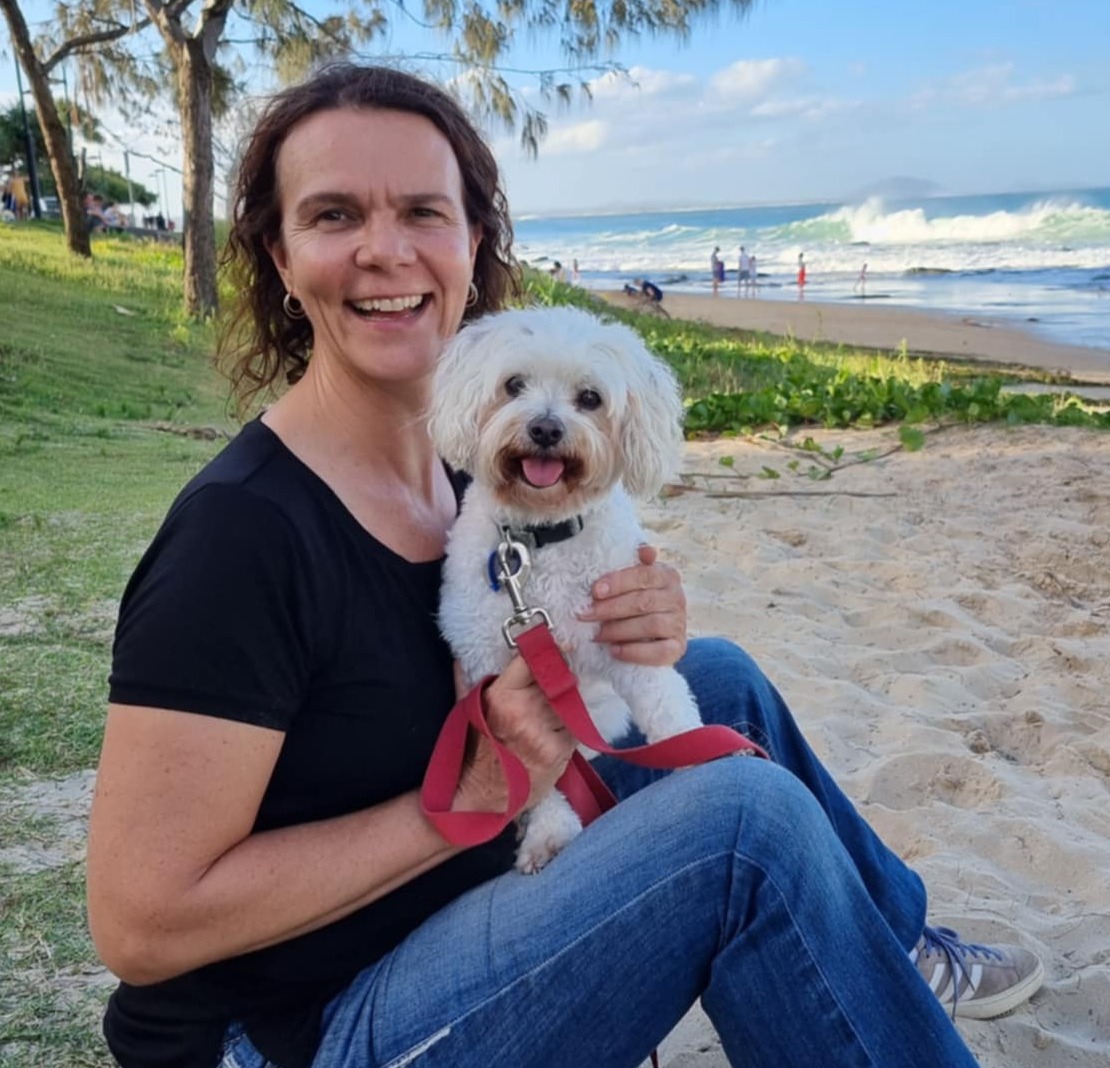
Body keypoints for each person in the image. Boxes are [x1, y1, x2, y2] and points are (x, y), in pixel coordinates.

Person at [86, 64, 1042, 1068]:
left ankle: (888, 949)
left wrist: (637, 621)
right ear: (281, 255)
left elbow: (551, 650)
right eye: (334, 215)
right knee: (742, 827)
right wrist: (468, 798)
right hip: (298, 1027)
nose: (385, 249)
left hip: (442, 909)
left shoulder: (483, 477)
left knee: (718, 681)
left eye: (422, 211)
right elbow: (142, 926)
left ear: (471, 245)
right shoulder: (240, 537)